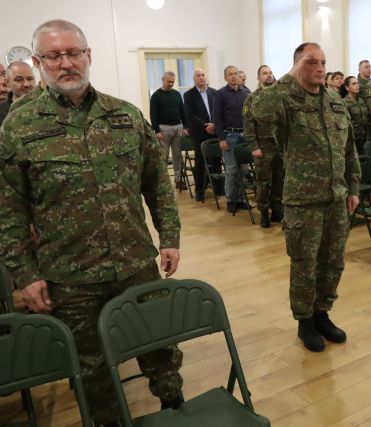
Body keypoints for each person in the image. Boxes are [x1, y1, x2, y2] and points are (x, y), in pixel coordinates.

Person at [0, 19, 184, 427]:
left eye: (74, 53)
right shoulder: (19, 126)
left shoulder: (125, 115)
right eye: (54, 56)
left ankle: (175, 407)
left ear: (89, 55)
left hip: (135, 262)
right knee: (91, 365)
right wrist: (25, 274)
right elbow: (8, 209)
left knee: (159, 343)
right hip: (70, 274)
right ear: (38, 62)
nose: (66, 63)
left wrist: (169, 237)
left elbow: (157, 183)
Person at [252, 42, 360, 353]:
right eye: (312, 62)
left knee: (333, 262)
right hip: (303, 199)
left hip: (336, 198)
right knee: (304, 263)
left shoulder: (335, 101)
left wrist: (353, 188)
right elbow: (259, 110)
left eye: (323, 62)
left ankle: (322, 313)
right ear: (298, 64)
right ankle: (304, 320)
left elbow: (349, 148)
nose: (320, 68)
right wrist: (289, 75)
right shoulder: (285, 101)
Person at [243, 64, 284, 228]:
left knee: (279, 179)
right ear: (258, 78)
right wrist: (254, 146)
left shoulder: (278, 96)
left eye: (270, 72)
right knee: (264, 181)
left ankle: (277, 210)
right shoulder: (252, 98)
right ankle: (264, 212)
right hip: (263, 145)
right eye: (265, 73)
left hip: (279, 145)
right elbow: (248, 124)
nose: (269, 75)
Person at [213, 65, 251, 212]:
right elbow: (217, 118)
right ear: (225, 78)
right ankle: (230, 199)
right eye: (230, 74)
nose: (234, 76)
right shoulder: (220, 94)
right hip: (230, 136)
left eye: (235, 73)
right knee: (231, 169)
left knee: (244, 169)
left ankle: (240, 198)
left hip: (245, 135)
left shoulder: (246, 92)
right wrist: (221, 139)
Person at [149, 71, 188, 190]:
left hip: (178, 128)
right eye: (168, 81)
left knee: (177, 155)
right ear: (163, 80)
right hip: (163, 129)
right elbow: (153, 115)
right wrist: (156, 131)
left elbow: (182, 111)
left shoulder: (176, 94)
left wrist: (185, 127)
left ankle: (178, 179)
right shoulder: (156, 96)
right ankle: (163, 182)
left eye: (172, 82)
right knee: (164, 156)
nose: (170, 84)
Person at [183, 69, 218, 201]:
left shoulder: (214, 92)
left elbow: (218, 111)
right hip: (199, 133)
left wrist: (214, 125)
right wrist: (206, 126)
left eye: (203, 75)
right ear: (194, 79)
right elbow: (190, 115)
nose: (201, 77)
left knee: (216, 160)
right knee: (200, 162)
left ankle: (218, 188)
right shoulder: (189, 95)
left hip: (214, 131)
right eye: (198, 76)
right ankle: (199, 190)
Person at [341, 76, 368, 154]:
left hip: (364, 137)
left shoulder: (361, 101)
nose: (357, 85)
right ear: (347, 88)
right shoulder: (344, 103)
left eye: (357, 83)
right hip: (352, 139)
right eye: (354, 84)